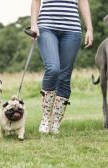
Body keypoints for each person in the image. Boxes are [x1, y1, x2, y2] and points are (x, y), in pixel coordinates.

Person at [30, 0, 93, 134]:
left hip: (72, 30)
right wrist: (33, 24)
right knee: (53, 69)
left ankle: (55, 122)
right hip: (46, 27)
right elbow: (36, 1)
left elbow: (83, 2)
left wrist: (89, 28)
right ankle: (46, 118)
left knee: (64, 77)